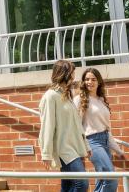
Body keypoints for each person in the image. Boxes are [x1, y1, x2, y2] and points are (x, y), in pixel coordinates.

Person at [38, 59, 90, 192]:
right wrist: (46, 153)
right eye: (72, 72)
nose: (73, 76)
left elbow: (77, 124)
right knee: (82, 183)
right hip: (64, 149)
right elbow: (47, 126)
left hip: (74, 146)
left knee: (68, 186)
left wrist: (86, 145)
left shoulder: (67, 95)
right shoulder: (51, 96)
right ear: (64, 74)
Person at [76, 68, 123, 192]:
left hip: (105, 141)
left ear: (99, 82)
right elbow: (77, 126)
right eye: (86, 79)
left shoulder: (101, 100)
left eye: (93, 79)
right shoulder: (80, 100)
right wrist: (85, 146)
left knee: (102, 180)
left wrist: (117, 149)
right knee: (111, 178)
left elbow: (106, 128)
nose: (89, 82)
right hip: (92, 142)